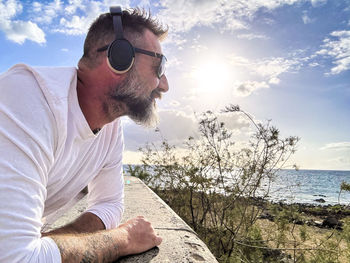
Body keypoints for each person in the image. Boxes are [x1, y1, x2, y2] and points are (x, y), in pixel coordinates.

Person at [0, 6, 169, 263]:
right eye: (159, 66)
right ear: (119, 58)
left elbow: (110, 204)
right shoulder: (26, 98)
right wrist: (124, 239)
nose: (164, 84)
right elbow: (15, 259)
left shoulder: (110, 130)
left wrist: (52, 245)